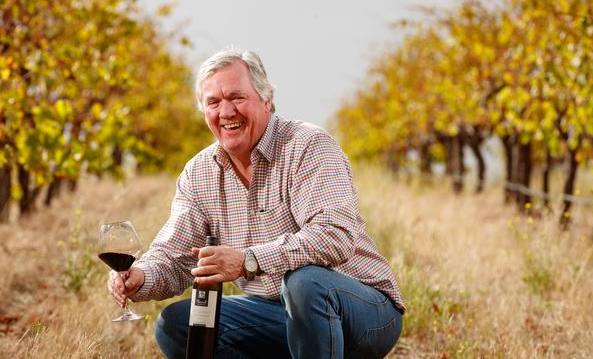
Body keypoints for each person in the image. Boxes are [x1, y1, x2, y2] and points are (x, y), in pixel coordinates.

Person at [107, 49, 405, 359]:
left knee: (304, 283)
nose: (225, 112)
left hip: (363, 312)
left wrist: (249, 260)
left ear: (267, 100)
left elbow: (334, 236)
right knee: (178, 324)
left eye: (236, 97)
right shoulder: (199, 173)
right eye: (213, 102)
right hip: (278, 314)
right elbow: (174, 256)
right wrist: (140, 276)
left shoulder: (309, 146)